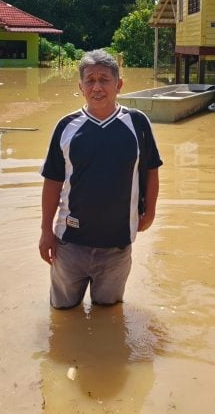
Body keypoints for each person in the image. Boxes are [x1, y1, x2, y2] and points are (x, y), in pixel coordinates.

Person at [38, 49, 162, 309]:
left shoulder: (137, 124)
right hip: (69, 243)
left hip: (117, 246)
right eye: (90, 80)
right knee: (62, 311)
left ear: (119, 85)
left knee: (109, 312)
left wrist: (149, 213)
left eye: (104, 79)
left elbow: (151, 170)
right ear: (81, 87)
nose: (97, 87)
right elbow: (52, 181)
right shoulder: (67, 127)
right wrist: (45, 231)